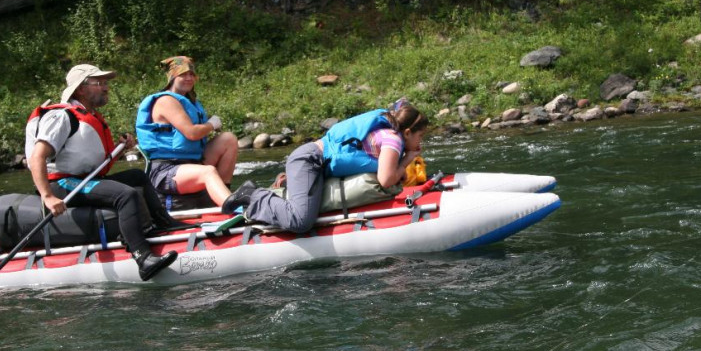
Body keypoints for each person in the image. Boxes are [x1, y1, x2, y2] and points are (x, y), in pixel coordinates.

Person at [25, 63, 180, 281]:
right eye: (99, 83)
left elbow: (87, 161)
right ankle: (142, 257)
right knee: (125, 195)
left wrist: (121, 149)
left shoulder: (89, 115)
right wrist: (47, 196)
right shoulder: (61, 117)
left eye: (105, 82)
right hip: (61, 185)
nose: (106, 87)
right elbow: (37, 156)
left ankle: (165, 222)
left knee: (136, 177)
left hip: (80, 180)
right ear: (80, 89)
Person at [222, 100, 428, 233]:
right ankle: (252, 195)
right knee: (300, 221)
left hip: (315, 163)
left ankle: (277, 191)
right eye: (420, 136)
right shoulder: (394, 140)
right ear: (407, 132)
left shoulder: (387, 133)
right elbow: (385, 179)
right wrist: (408, 159)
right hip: (309, 161)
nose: (420, 142)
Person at [135, 56, 238, 207]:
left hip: (191, 161)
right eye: (183, 74)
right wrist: (211, 124)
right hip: (166, 169)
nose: (188, 78)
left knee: (228, 139)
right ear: (172, 77)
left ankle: (221, 197)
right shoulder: (166, 101)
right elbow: (192, 133)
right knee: (208, 171)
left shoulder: (190, 101)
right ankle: (232, 207)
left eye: (191, 74)